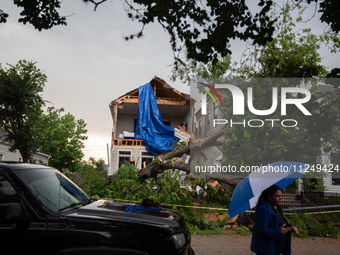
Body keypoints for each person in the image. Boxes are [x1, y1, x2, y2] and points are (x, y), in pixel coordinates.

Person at [251, 185, 298, 255]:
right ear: (269, 196)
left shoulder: (279, 209)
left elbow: (281, 223)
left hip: (278, 249)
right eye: (277, 196)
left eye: (281, 196)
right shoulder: (263, 209)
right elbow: (262, 230)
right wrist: (279, 232)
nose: (280, 198)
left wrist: (291, 227)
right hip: (267, 250)